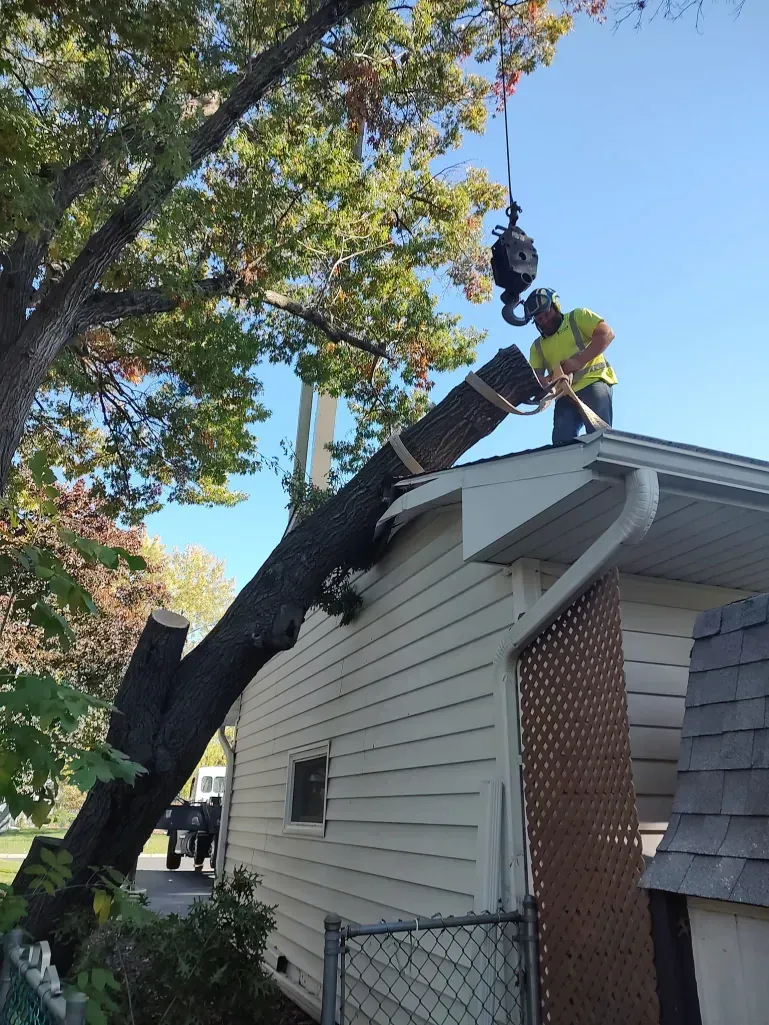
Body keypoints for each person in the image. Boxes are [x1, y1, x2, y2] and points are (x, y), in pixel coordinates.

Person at [524, 288, 617, 445]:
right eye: (539, 319)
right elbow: (536, 379)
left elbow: (606, 334)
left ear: (555, 307)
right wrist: (544, 383)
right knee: (561, 443)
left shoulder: (577, 317)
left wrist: (578, 362)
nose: (545, 321)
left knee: (599, 437)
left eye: (547, 314)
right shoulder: (537, 347)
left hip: (593, 382)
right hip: (564, 394)